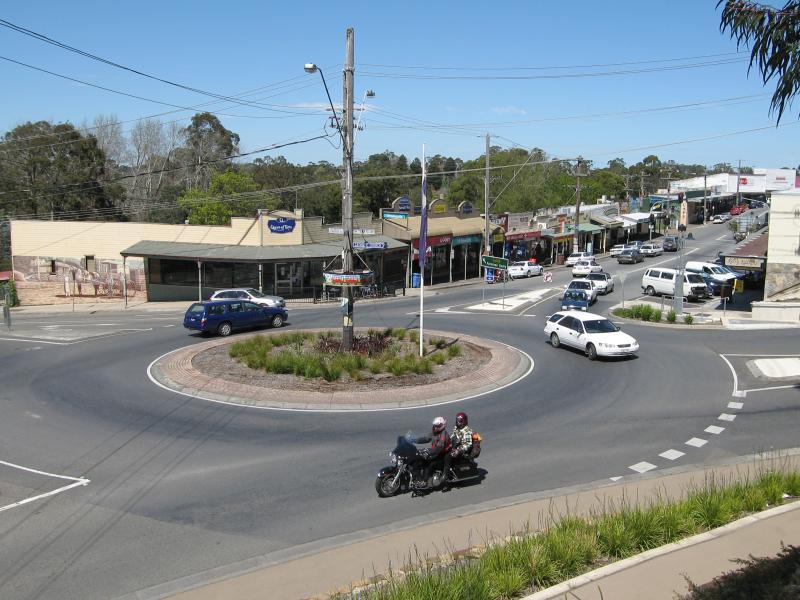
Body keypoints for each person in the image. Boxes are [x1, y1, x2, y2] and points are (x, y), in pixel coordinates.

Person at [415, 416, 450, 487]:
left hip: (444, 453)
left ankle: (442, 478)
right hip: (436, 452)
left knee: (430, 464)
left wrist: (428, 451)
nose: (435, 427)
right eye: (435, 426)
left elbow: (439, 448)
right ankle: (420, 478)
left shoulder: (443, 435)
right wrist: (414, 440)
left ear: (442, 426)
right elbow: (426, 438)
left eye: (438, 426)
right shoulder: (434, 433)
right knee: (421, 460)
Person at [443, 412, 473, 481]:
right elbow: (452, 436)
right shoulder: (456, 427)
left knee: (448, 456)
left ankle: (446, 475)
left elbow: (468, 444)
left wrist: (458, 450)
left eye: (460, 421)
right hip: (454, 446)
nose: (458, 422)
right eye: (457, 420)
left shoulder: (467, 431)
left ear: (465, 421)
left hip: (461, 450)